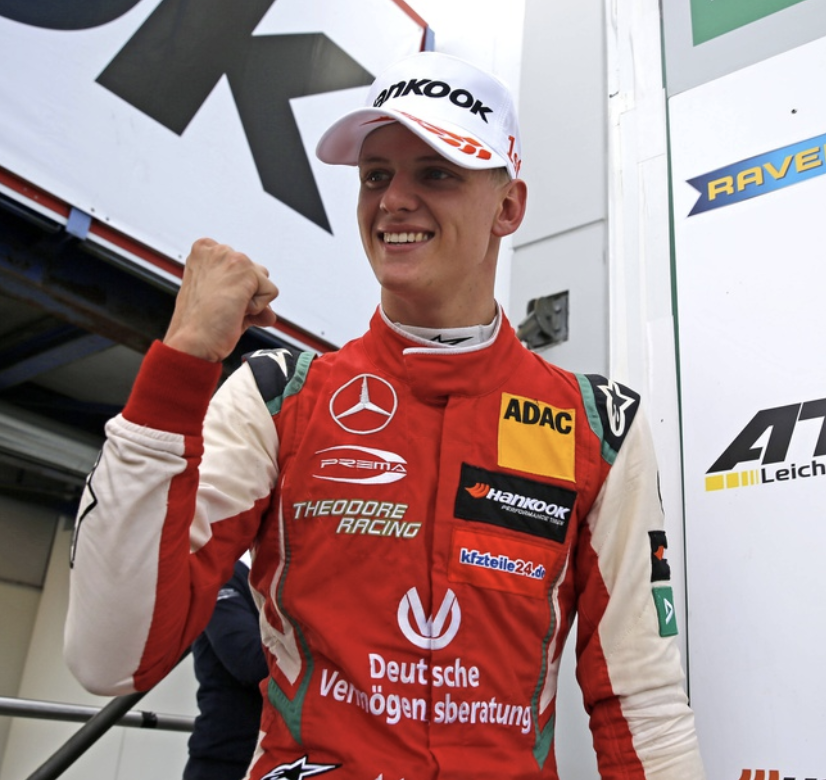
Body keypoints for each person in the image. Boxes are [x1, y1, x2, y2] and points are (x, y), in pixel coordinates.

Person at [64, 51, 706, 779]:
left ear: (508, 207)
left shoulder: (599, 425)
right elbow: (109, 656)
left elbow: (643, 705)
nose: (394, 199)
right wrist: (179, 366)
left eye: (435, 173)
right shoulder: (277, 397)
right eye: (375, 176)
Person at [184, 559, 267, 780]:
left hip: (282, 754)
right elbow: (248, 662)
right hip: (226, 758)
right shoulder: (222, 575)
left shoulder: (286, 588)